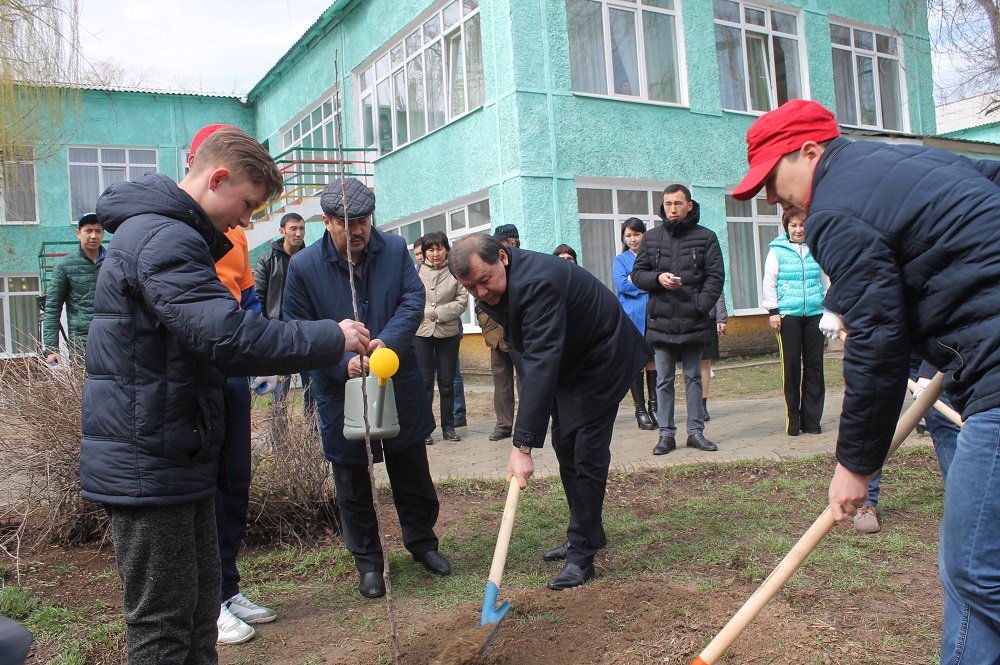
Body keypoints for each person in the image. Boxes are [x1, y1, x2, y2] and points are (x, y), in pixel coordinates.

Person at [81, 126, 369, 664]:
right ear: (217, 179)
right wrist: (332, 336)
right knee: (164, 629)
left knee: (195, 618)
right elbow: (227, 335)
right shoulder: (163, 239)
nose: (246, 221)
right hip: (150, 462)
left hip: (176, 452)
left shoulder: (169, 235)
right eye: (247, 204)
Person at [733, 98, 1000, 663]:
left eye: (772, 179)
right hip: (982, 361)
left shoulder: (834, 212)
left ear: (810, 151)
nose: (772, 198)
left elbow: (876, 342)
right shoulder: (907, 161)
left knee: (975, 567)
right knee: (971, 568)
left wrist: (856, 466)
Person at [449, 234, 653, 590]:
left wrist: (522, 446)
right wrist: (532, 425)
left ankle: (582, 556)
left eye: (485, 281)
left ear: (502, 257)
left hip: (603, 358)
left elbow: (542, 360)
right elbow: (527, 356)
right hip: (568, 363)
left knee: (585, 452)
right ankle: (589, 533)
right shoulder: (499, 285)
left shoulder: (538, 283)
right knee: (565, 444)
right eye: (470, 288)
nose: (480, 293)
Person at [282, 177, 450, 600]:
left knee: (411, 468)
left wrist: (386, 343)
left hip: (398, 379)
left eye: (363, 220)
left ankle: (423, 543)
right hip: (340, 388)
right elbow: (296, 329)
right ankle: (369, 564)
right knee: (353, 479)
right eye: (346, 222)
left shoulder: (393, 250)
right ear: (327, 222)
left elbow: (413, 300)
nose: (357, 230)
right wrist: (343, 360)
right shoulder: (303, 268)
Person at [182, 124, 280, 647]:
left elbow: (246, 300)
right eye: (245, 204)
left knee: (234, 480)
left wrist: (263, 350)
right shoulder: (179, 233)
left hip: (234, 369)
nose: (246, 217)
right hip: (205, 364)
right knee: (209, 485)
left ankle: (228, 585)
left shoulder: (236, 233)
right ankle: (210, 601)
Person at [632, 184, 725, 455]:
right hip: (661, 320)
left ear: (689, 206)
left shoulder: (706, 237)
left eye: (678, 203)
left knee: (694, 377)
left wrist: (700, 306)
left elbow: (715, 276)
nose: (672, 208)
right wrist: (658, 279)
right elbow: (638, 275)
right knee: (663, 379)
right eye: (668, 204)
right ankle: (666, 435)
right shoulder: (651, 238)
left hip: (693, 319)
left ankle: (695, 433)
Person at [760, 210, 831, 437]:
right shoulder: (777, 251)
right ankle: (793, 421)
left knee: (815, 367)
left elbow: (825, 281)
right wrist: (773, 311)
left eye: (802, 225)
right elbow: (769, 281)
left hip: (814, 314)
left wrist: (829, 310)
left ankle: (812, 421)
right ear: (786, 227)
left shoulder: (816, 249)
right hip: (788, 316)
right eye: (793, 225)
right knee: (791, 367)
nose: (798, 229)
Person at [254, 212, 315, 415]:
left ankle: (312, 438)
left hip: (306, 332)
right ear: (282, 231)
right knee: (279, 391)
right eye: (293, 228)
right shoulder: (267, 259)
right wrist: (266, 331)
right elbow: (258, 298)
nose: (298, 233)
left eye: (302, 228)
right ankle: (278, 441)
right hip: (279, 332)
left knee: (312, 390)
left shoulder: (311, 258)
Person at [414, 231, 468, 444]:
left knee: (447, 383)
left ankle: (449, 427)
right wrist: (427, 313)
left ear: (446, 249)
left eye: (439, 248)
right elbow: (410, 297)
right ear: (425, 252)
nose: (435, 253)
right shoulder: (415, 272)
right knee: (425, 383)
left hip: (448, 334)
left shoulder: (455, 271)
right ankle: (425, 429)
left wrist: (439, 313)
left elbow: (462, 300)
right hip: (422, 333)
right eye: (430, 249)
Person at [612, 217, 657, 431]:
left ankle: (655, 407)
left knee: (654, 360)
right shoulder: (620, 260)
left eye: (636, 234)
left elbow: (657, 279)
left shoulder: (653, 258)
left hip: (655, 315)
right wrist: (646, 284)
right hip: (631, 317)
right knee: (637, 362)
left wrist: (637, 281)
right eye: (628, 235)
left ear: (644, 235)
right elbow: (621, 284)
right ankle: (641, 411)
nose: (632, 239)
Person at [42, 212, 105, 364]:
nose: (93, 236)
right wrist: (51, 349)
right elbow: (52, 308)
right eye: (88, 230)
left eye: (98, 231)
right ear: (78, 233)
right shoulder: (64, 266)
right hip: (82, 344)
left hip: (113, 339)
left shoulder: (114, 263)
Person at [701, 295, 728, 422]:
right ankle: (692, 404)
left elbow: (718, 292)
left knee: (705, 362)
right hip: (686, 317)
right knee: (688, 362)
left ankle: (702, 405)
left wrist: (721, 318)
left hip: (708, 317)